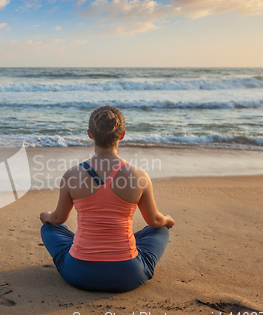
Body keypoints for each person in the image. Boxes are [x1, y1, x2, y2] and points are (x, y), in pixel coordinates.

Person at [40, 105, 175, 293]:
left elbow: (57, 219)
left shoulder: (72, 174)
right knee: (160, 230)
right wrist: (168, 220)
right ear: (122, 135)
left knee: (50, 228)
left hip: (78, 273)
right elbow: (154, 221)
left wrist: (45, 215)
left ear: (90, 134)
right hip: (127, 275)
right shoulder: (139, 175)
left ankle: (83, 248)